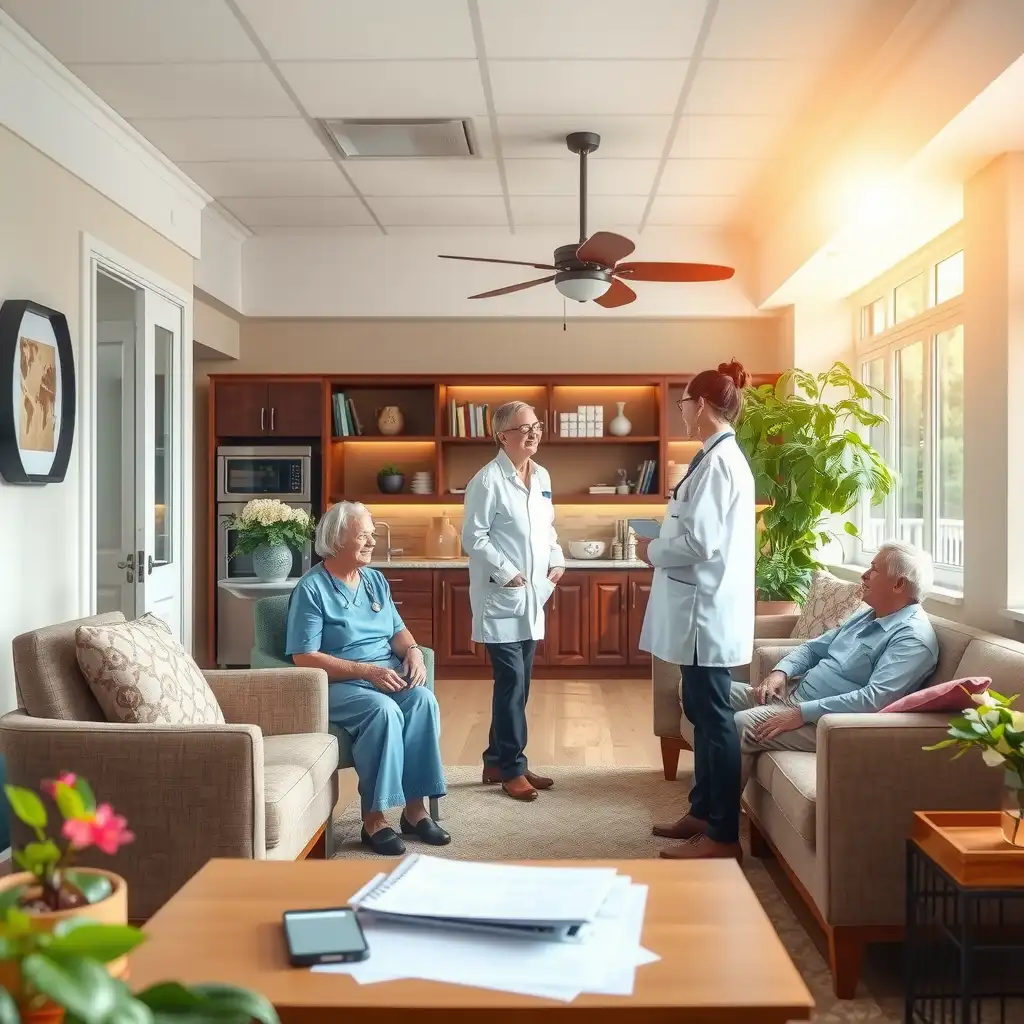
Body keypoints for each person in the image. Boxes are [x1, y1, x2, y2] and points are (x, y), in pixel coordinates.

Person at [637, 360, 755, 861]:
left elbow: (700, 542)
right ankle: (702, 812)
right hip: (700, 611)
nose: (682, 411)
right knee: (702, 714)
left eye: (684, 402)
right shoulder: (711, 458)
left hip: (705, 613)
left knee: (713, 716)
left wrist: (654, 549)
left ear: (701, 405)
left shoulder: (721, 463)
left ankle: (723, 835)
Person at [286, 501, 449, 856]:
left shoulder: (375, 580)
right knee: (383, 712)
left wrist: (414, 652)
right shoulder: (312, 589)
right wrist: (367, 671)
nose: (373, 541)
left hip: (385, 675)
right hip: (342, 684)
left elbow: (399, 633)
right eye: (364, 535)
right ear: (337, 539)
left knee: (423, 701)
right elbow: (304, 656)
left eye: (372, 534)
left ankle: (415, 810)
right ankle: (373, 819)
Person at [731, 541, 938, 789]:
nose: (864, 575)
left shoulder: (912, 639)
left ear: (898, 584)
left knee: (742, 723)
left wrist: (801, 713)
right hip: (792, 694)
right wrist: (780, 672)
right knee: (705, 692)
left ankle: (714, 820)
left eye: (874, 569)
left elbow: (875, 699)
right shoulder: (869, 614)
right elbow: (813, 647)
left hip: (826, 721)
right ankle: (705, 801)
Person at [462, 401, 565, 802]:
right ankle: (511, 768)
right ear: (502, 435)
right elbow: (474, 538)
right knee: (511, 684)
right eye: (525, 428)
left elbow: (547, 529)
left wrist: (556, 558)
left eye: (537, 427)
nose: (534, 433)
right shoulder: (486, 481)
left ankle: (495, 758)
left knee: (519, 686)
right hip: (501, 596)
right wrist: (508, 572)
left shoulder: (541, 475)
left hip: (533, 594)